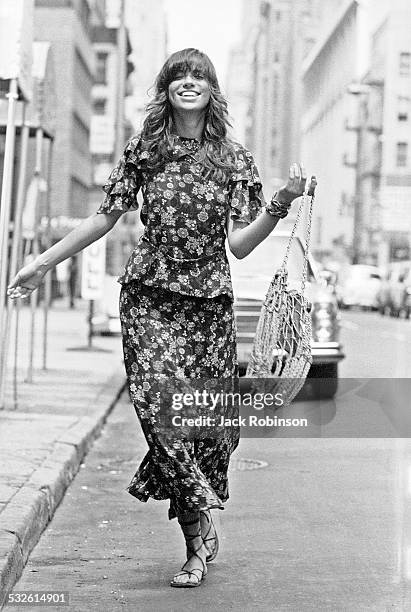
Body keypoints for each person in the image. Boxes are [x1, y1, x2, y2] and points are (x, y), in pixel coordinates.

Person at [7, 48, 316, 588]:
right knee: (159, 412)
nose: (189, 82)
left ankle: (196, 521)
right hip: (150, 296)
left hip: (208, 305)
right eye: (179, 76)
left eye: (199, 76)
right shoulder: (145, 149)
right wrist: (41, 261)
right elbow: (105, 219)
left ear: (212, 90)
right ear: (166, 88)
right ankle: (197, 543)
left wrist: (281, 202)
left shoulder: (234, 159)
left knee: (202, 427)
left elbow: (240, 246)